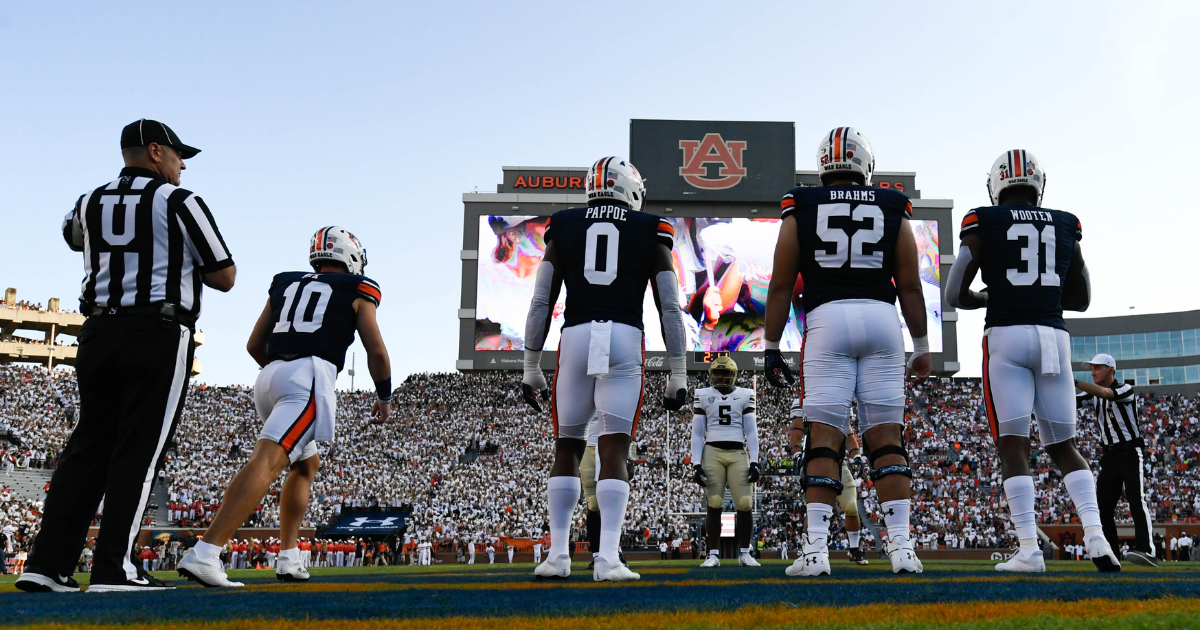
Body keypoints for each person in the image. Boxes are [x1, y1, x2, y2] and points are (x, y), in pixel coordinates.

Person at [19, 119, 235, 594]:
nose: (182, 166)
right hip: (156, 330)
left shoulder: (88, 201)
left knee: (86, 450)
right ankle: (114, 567)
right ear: (155, 152)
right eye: (179, 156)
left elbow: (73, 236)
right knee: (140, 448)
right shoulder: (180, 201)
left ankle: (46, 564)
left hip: (96, 331)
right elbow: (224, 275)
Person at [178, 226, 392, 587]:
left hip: (270, 374)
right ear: (351, 256)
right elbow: (377, 352)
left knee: (306, 464)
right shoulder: (360, 288)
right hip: (307, 376)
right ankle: (206, 552)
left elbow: (253, 344)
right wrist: (384, 397)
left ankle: (289, 557)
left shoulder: (285, 282)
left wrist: (281, 372)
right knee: (268, 461)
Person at [764, 127, 930, 577]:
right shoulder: (893, 205)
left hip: (827, 320)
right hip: (881, 319)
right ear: (866, 167)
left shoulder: (801, 204)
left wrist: (772, 346)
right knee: (886, 438)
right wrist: (922, 346)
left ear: (824, 166)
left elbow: (781, 283)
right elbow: (910, 285)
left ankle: (816, 553)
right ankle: (901, 549)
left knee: (824, 439)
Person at [946, 149, 1118, 573]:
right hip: (1054, 338)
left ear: (996, 184)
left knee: (1013, 446)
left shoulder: (982, 220)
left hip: (1006, 336)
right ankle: (1097, 538)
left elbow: (954, 289)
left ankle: (1029, 548)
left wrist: (985, 296)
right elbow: (1081, 297)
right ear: (1039, 185)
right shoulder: (1064, 222)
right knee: (1064, 446)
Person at [524, 156, 688, 583]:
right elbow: (669, 304)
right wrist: (679, 372)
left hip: (575, 335)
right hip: (623, 335)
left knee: (567, 446)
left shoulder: (564, 225)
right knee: (614, 447)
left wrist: (529, 364)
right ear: (631, 189)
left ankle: (558, 555)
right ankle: (607, 559)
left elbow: (541, 300)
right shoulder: (651, 227)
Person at [1075, 354, 1157, 567]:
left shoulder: (1125, 390)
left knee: (1136, 499)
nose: (1093, 372)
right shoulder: (1091, 394)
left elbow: (1104, 393)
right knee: (1103, 506)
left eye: (1097, 368)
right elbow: (1072, 400)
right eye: (1092, 368)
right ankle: (1111, 553)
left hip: (1130, 452)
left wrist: (1072, 381)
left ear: (1111, 369)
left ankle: (1147, 549)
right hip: (1109, 456)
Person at [692, 357, 761, 568]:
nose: (721, 377)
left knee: (745, 504)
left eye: (725, 373)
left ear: (733, 375)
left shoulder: (745, 394)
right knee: (714, 504)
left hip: (737, 451)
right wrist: (696, 463)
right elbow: (697, 433)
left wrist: (755, 461)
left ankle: (745, 553)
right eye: (718, 373)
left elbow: (751, 431)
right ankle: (713, 554)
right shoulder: (703, 395)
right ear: (712, 375)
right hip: (712, 450)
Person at [789, 399, 869, 565]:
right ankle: (808, 549)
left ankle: (854, 549)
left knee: (852, 506)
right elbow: (796, 434)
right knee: (815, 508)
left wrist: (856, 456)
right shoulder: (804, 401)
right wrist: (797, 455)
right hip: (815, 461)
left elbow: (847, 434)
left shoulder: (840, 398)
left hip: (838, 463)